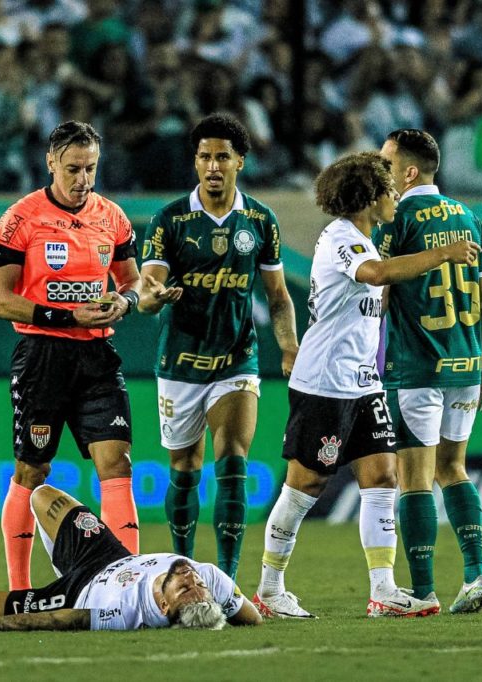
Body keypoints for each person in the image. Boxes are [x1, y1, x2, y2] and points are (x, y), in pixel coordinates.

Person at [253, 152, 481, 619]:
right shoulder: (341, 239)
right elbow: (376, 275)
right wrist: (443, 254)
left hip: (363, 383)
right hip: (325, 383)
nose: (394, 196)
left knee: (383, 478)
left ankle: (383, 591)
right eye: (387, 189)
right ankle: (269, 590)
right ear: (368, 197)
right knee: (305, 486)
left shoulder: (364, 238)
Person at [0, 120, 178, 591]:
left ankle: (126, 582)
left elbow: (133, 282)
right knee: (33, 469)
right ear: (51, 163)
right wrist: (68, 316)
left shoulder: (112, 217)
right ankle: (20, 588)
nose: (83, 179)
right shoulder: (20, 218)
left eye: (90, 168)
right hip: (42, 356)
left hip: (97, 356)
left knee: (118, 463)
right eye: (73, 168)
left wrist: (127, 302)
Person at [139, 112, 299, 579]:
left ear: (240, 162)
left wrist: (289, 348)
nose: (213, 165)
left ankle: (226, 579)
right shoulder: (169, 220)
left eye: (222, 157)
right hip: (180, 362)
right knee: (185, 466)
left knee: (232, 458)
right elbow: (148, 289)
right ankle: (185, 566)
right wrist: (152, 299)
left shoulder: (260, 221)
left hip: (236, 358)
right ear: (195, 162)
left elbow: (278, 297)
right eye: (205, 156)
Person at [373, 129, 482, 615]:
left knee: (415, 481)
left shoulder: (397, 217)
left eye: (387, 164)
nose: (382, 172)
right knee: (454, 469)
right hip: (466, 362)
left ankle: (423, 591)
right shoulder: (468, 217)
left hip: (417, 365)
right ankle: (476, 574)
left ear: (409, 171)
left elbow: (381, 290)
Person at [0, 484, 261, 632]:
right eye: (198, 583)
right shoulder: (211, 579)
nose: (191, 577)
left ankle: (58, 578)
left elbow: (64, 620)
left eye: (186, 589)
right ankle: (64, 560)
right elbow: (250, 617)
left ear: (164, 607)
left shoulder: (128, 613)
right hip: (106, 554)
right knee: (43, 495)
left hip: (75, 594)